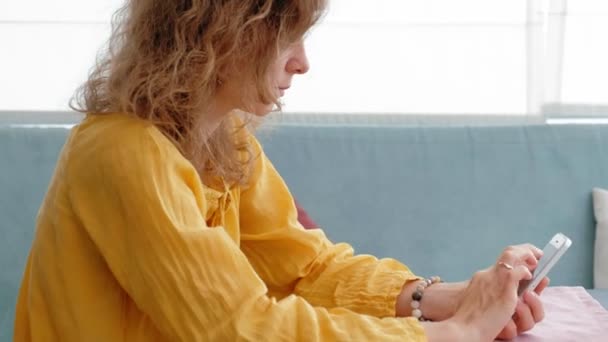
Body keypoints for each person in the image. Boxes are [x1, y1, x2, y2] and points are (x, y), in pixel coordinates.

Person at [14, 0, 549, 341]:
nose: (302, 62)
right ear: (219, 32)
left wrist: (440, 299)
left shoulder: (226, 138)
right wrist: (454, 334)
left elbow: (304, 270)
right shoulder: (122, 152)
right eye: (286, 37)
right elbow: (238, 329)